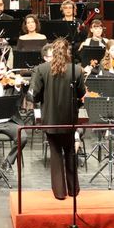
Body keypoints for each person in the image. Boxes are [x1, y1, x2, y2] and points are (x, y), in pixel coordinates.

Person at [29, 38, 86, 199]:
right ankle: (73, 189)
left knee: (55, 153)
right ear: (68, 52)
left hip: (51, 118)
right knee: (70, 152)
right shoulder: (76, 69)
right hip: (70, 118)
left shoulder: (41, 69)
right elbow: (81, 93)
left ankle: (60, 192)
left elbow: (34, 95)